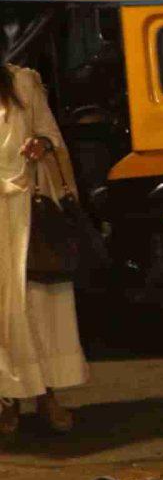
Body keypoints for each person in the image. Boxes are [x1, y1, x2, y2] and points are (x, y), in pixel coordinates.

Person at [0, 47, 86, 438]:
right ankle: (8, 399)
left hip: (27, 212)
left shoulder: (23, 82)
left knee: (37, 306)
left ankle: (48, 395)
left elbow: (51, 136)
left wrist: (41, 145)